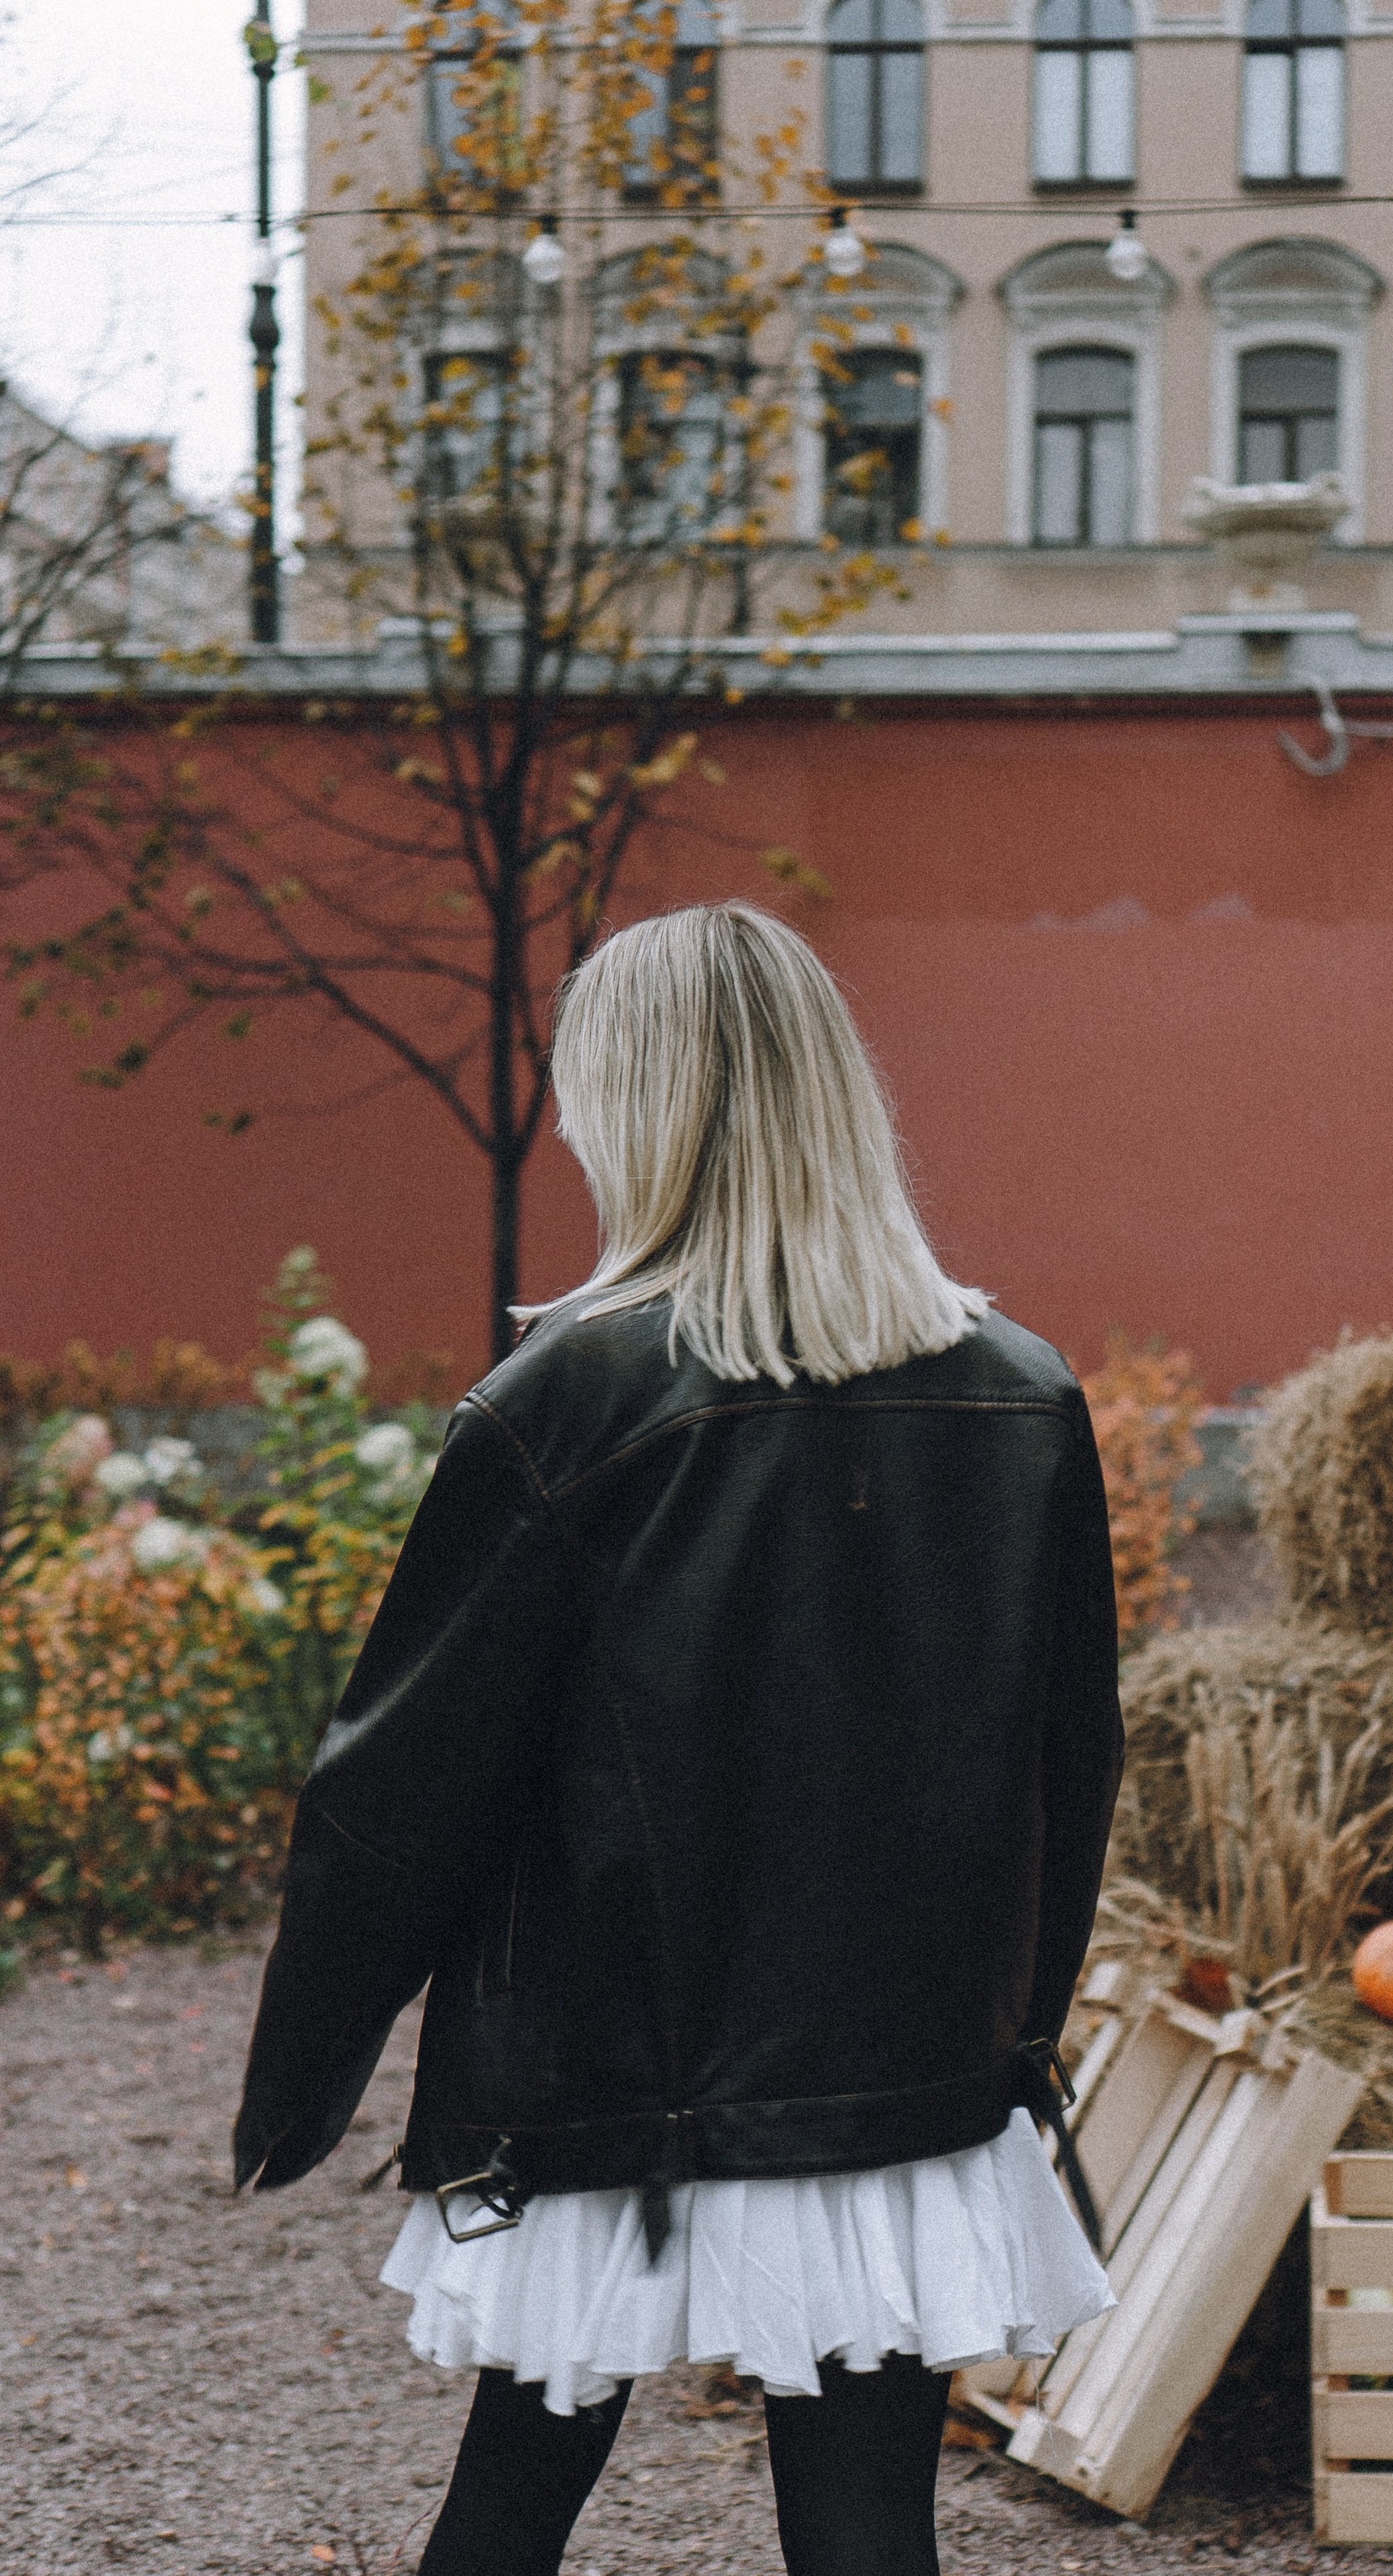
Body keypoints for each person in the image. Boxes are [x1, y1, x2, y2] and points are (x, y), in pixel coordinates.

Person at [234, 902, 1123, 2576]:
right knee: (869, 2530)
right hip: (891, 2078)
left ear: (637, 1105)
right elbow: (1064, 1777)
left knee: (506, 2509)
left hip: (598, 2078)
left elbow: (398, 1794)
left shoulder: (567, 1397)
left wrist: (300, 2084)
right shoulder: (1020, 1394)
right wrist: (1001, 2035)